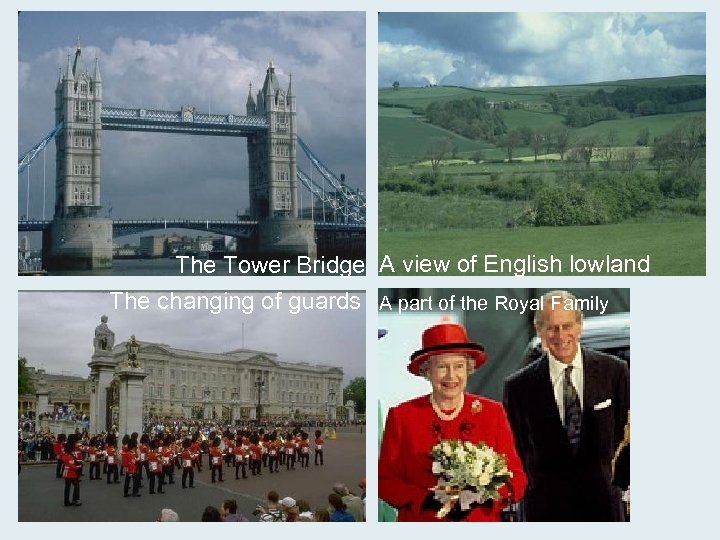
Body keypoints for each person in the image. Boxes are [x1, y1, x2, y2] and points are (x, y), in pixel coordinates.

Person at [378, 319, 526, 521]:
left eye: (458, 366)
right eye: (442, 367)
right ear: (426, 371)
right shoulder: (402, 415)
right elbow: (385, 481)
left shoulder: (493, 412)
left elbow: (516, 479)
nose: (451, 376)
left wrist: (486, 497)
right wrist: (426, 499)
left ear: (468, 369)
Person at [503, 290, 630, 521]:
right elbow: (516, 453)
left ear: (580, 325)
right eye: (551, 328)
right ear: (538, 329)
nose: (561, 336)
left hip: (604, 510)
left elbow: (627, 440)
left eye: (567, 326)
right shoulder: (518, 387)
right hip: (543, 512)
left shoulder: (615, 372)